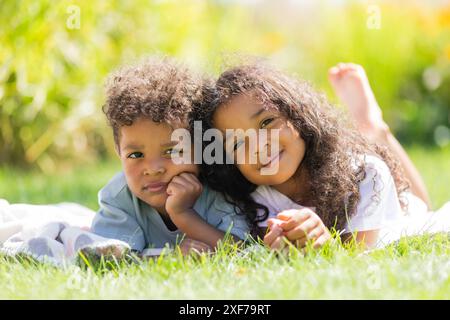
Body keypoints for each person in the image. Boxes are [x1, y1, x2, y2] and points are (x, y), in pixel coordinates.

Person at [200, 61, 449, 250]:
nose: (257, 145)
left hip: (400, 215)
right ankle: (369, 129)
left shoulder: (365, 175)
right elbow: (246, 251)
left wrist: (323, 241)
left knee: (420, 208)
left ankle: (373, 129)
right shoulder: (249, 201)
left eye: (267, 122)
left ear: (296, 114)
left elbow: (357, 260)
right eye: (238, 142)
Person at [89, 57, 250, 257]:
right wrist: (170, 257)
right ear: (118, 152)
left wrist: (183, 214)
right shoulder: (118, 198)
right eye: (136, 154)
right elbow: (110, 260)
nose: (154, 168)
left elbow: (244, 250)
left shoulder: (219, 189)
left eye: (172, 151)